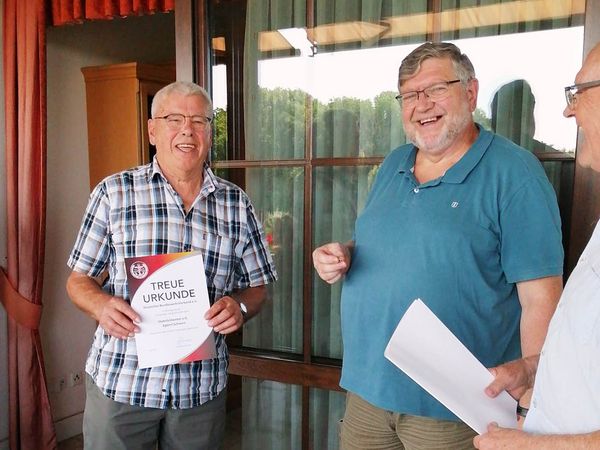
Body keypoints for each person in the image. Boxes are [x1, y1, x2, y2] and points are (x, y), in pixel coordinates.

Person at [312, 42, 564, 449]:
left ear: (471, 92)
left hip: (454, 408)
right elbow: (385, 241)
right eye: (410, 95)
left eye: (436, 89)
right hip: (367, 390)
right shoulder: (395, 163)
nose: (422, 104)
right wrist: (343, 254)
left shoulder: (515, 174)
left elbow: (541, 298)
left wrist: (532, 396)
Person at [66, 81, 277, 449]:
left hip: (198, 391)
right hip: (124, 383)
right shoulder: (114, 193)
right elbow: (78, 281)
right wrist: (100, 305)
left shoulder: (235, 204)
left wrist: (239, 306)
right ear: (152, 130)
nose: (187, 130)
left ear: (210, 133)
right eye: (174, 118)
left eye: (199, 120)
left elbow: (258, 287)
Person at [474, 42, 600, 450]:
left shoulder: (519, 174)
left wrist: (525, 445)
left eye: (579, 92)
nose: (568, 110)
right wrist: (534, 371)